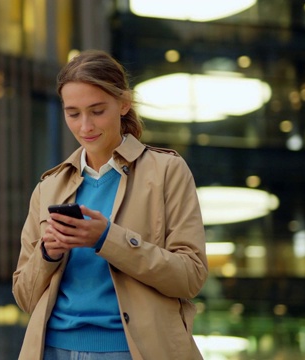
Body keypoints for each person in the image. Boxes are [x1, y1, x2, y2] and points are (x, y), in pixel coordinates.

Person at [12, 49, 208, 360]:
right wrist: (48, 252)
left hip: (133, 351)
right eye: (73, 113)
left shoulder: (167, 171)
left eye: (97, 110)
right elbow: (24, 295)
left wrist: (107, 238)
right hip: (51, 350)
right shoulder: (48, 187)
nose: (85, 126)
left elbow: (190, 277)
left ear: (124, 103)